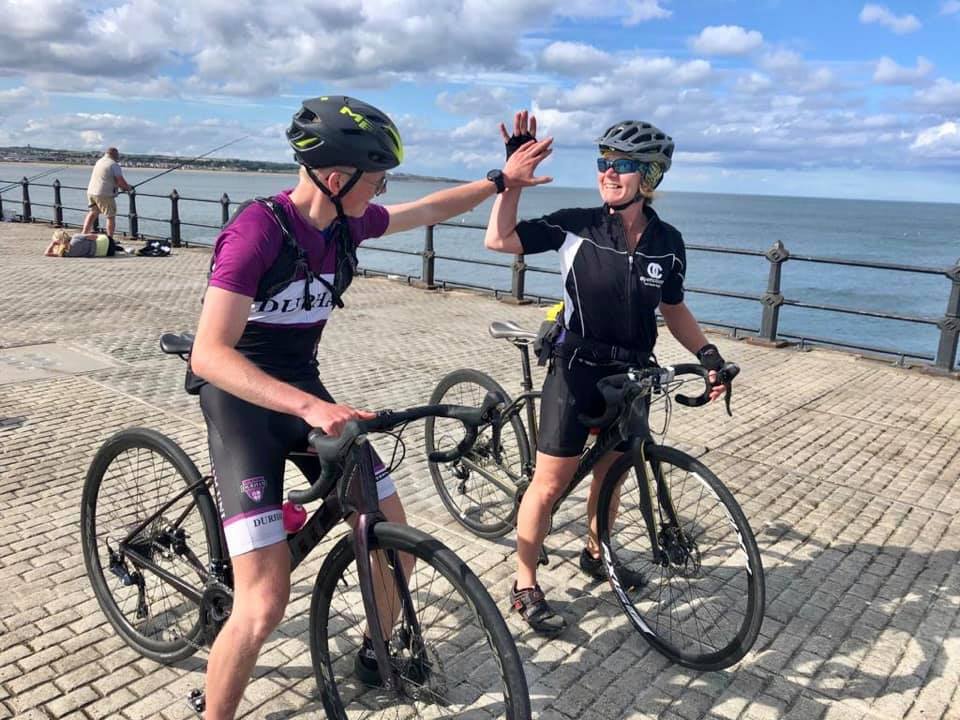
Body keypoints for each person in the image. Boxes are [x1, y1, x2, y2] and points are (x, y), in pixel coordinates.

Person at [188, 96, 552, 720]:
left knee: (395, 535)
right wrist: (308, 406)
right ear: (337, 179)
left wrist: (501, 180)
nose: (383, 192)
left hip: (306, 398)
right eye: (377, 180)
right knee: (264, 603)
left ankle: (371, 647)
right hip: (244, 404)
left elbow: (429, 209)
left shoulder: (344, 224)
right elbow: (208, 356)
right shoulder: (256, 232)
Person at [484, 112, 729, 635]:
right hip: (576, 370)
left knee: (612, 474)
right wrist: (511, 181)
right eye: (604, 162)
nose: (609, 173)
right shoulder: (577, 225)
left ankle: (597, 554)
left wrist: (708, 354)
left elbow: (674, 309)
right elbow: (499, 240)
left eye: (624, 165)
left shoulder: (669, 241)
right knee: (549, 485)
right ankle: (524, 581)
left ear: (652, 176)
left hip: (632, 375)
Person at [81, 147, 131, 237]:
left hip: (91, 192)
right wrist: (128, 188)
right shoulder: (114, 164)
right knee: (110, 216)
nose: (118, 157)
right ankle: (110, 239)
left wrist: (122, 187)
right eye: (117, 155)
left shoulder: (99, 161)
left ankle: (84, 234)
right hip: (104, 194)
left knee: (93, 213)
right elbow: (120, 181)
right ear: (114, 154)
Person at [44, 228, 120, 257]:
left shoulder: (63, 253)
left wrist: (52, 244)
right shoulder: (76, 237)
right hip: (107, 242)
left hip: (106, 253)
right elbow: (95, 237)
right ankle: (119, 247)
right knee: (100, 239)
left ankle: (119, 248)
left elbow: (46, 253)